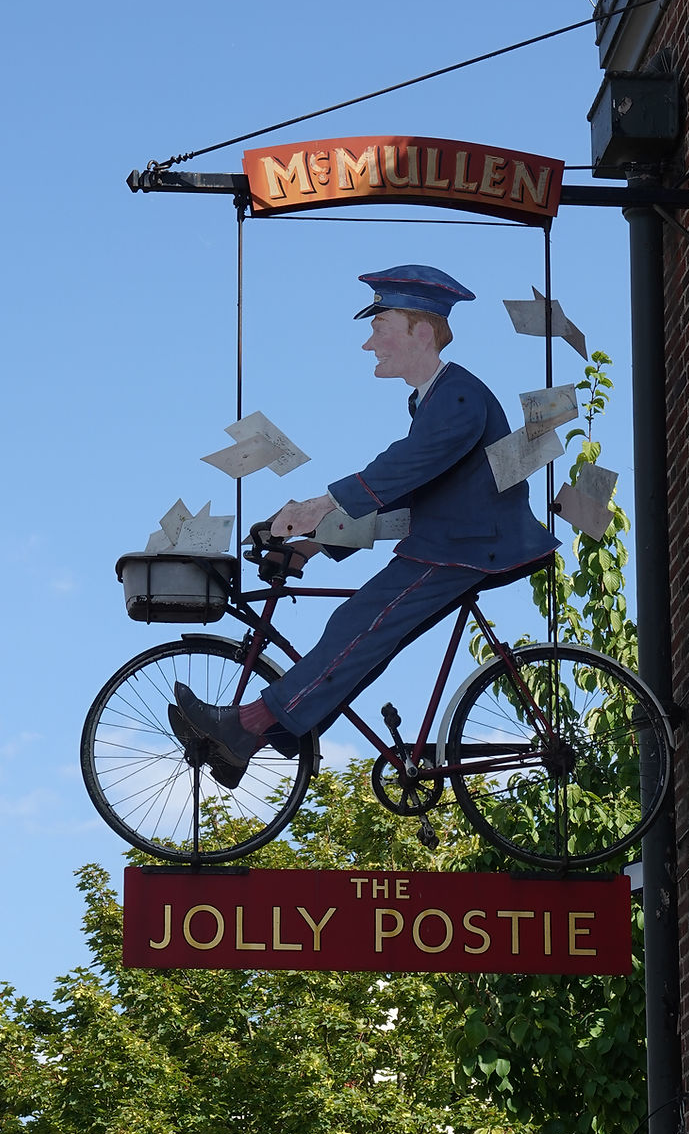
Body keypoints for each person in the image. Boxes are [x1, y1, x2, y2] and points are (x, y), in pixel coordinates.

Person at [171, 264, 558, 783]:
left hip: (468, 547)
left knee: (360, 624)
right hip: (451, 542)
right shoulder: (430, 399)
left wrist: (316, 507)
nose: (369, 344)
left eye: (380, 328)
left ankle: (247, 725)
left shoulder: (458, 397)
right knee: (362, 630)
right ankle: (269, 733)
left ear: (422, 333)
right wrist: (315, 545)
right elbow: (410, 499)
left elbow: (402, 470)